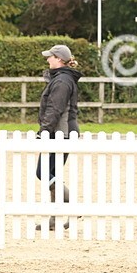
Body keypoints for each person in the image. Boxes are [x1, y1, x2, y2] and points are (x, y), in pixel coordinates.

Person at [35, 44, 83, 230]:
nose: (48, 59)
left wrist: (44, 132)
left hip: (60, 133)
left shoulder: (62, 81)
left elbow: (55, 109)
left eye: (50, 57)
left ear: (59, 60)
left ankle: (73, 207)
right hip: (60, 132)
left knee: (43, 172)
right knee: (53, 175)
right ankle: (54, 219)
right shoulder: (61, 79)